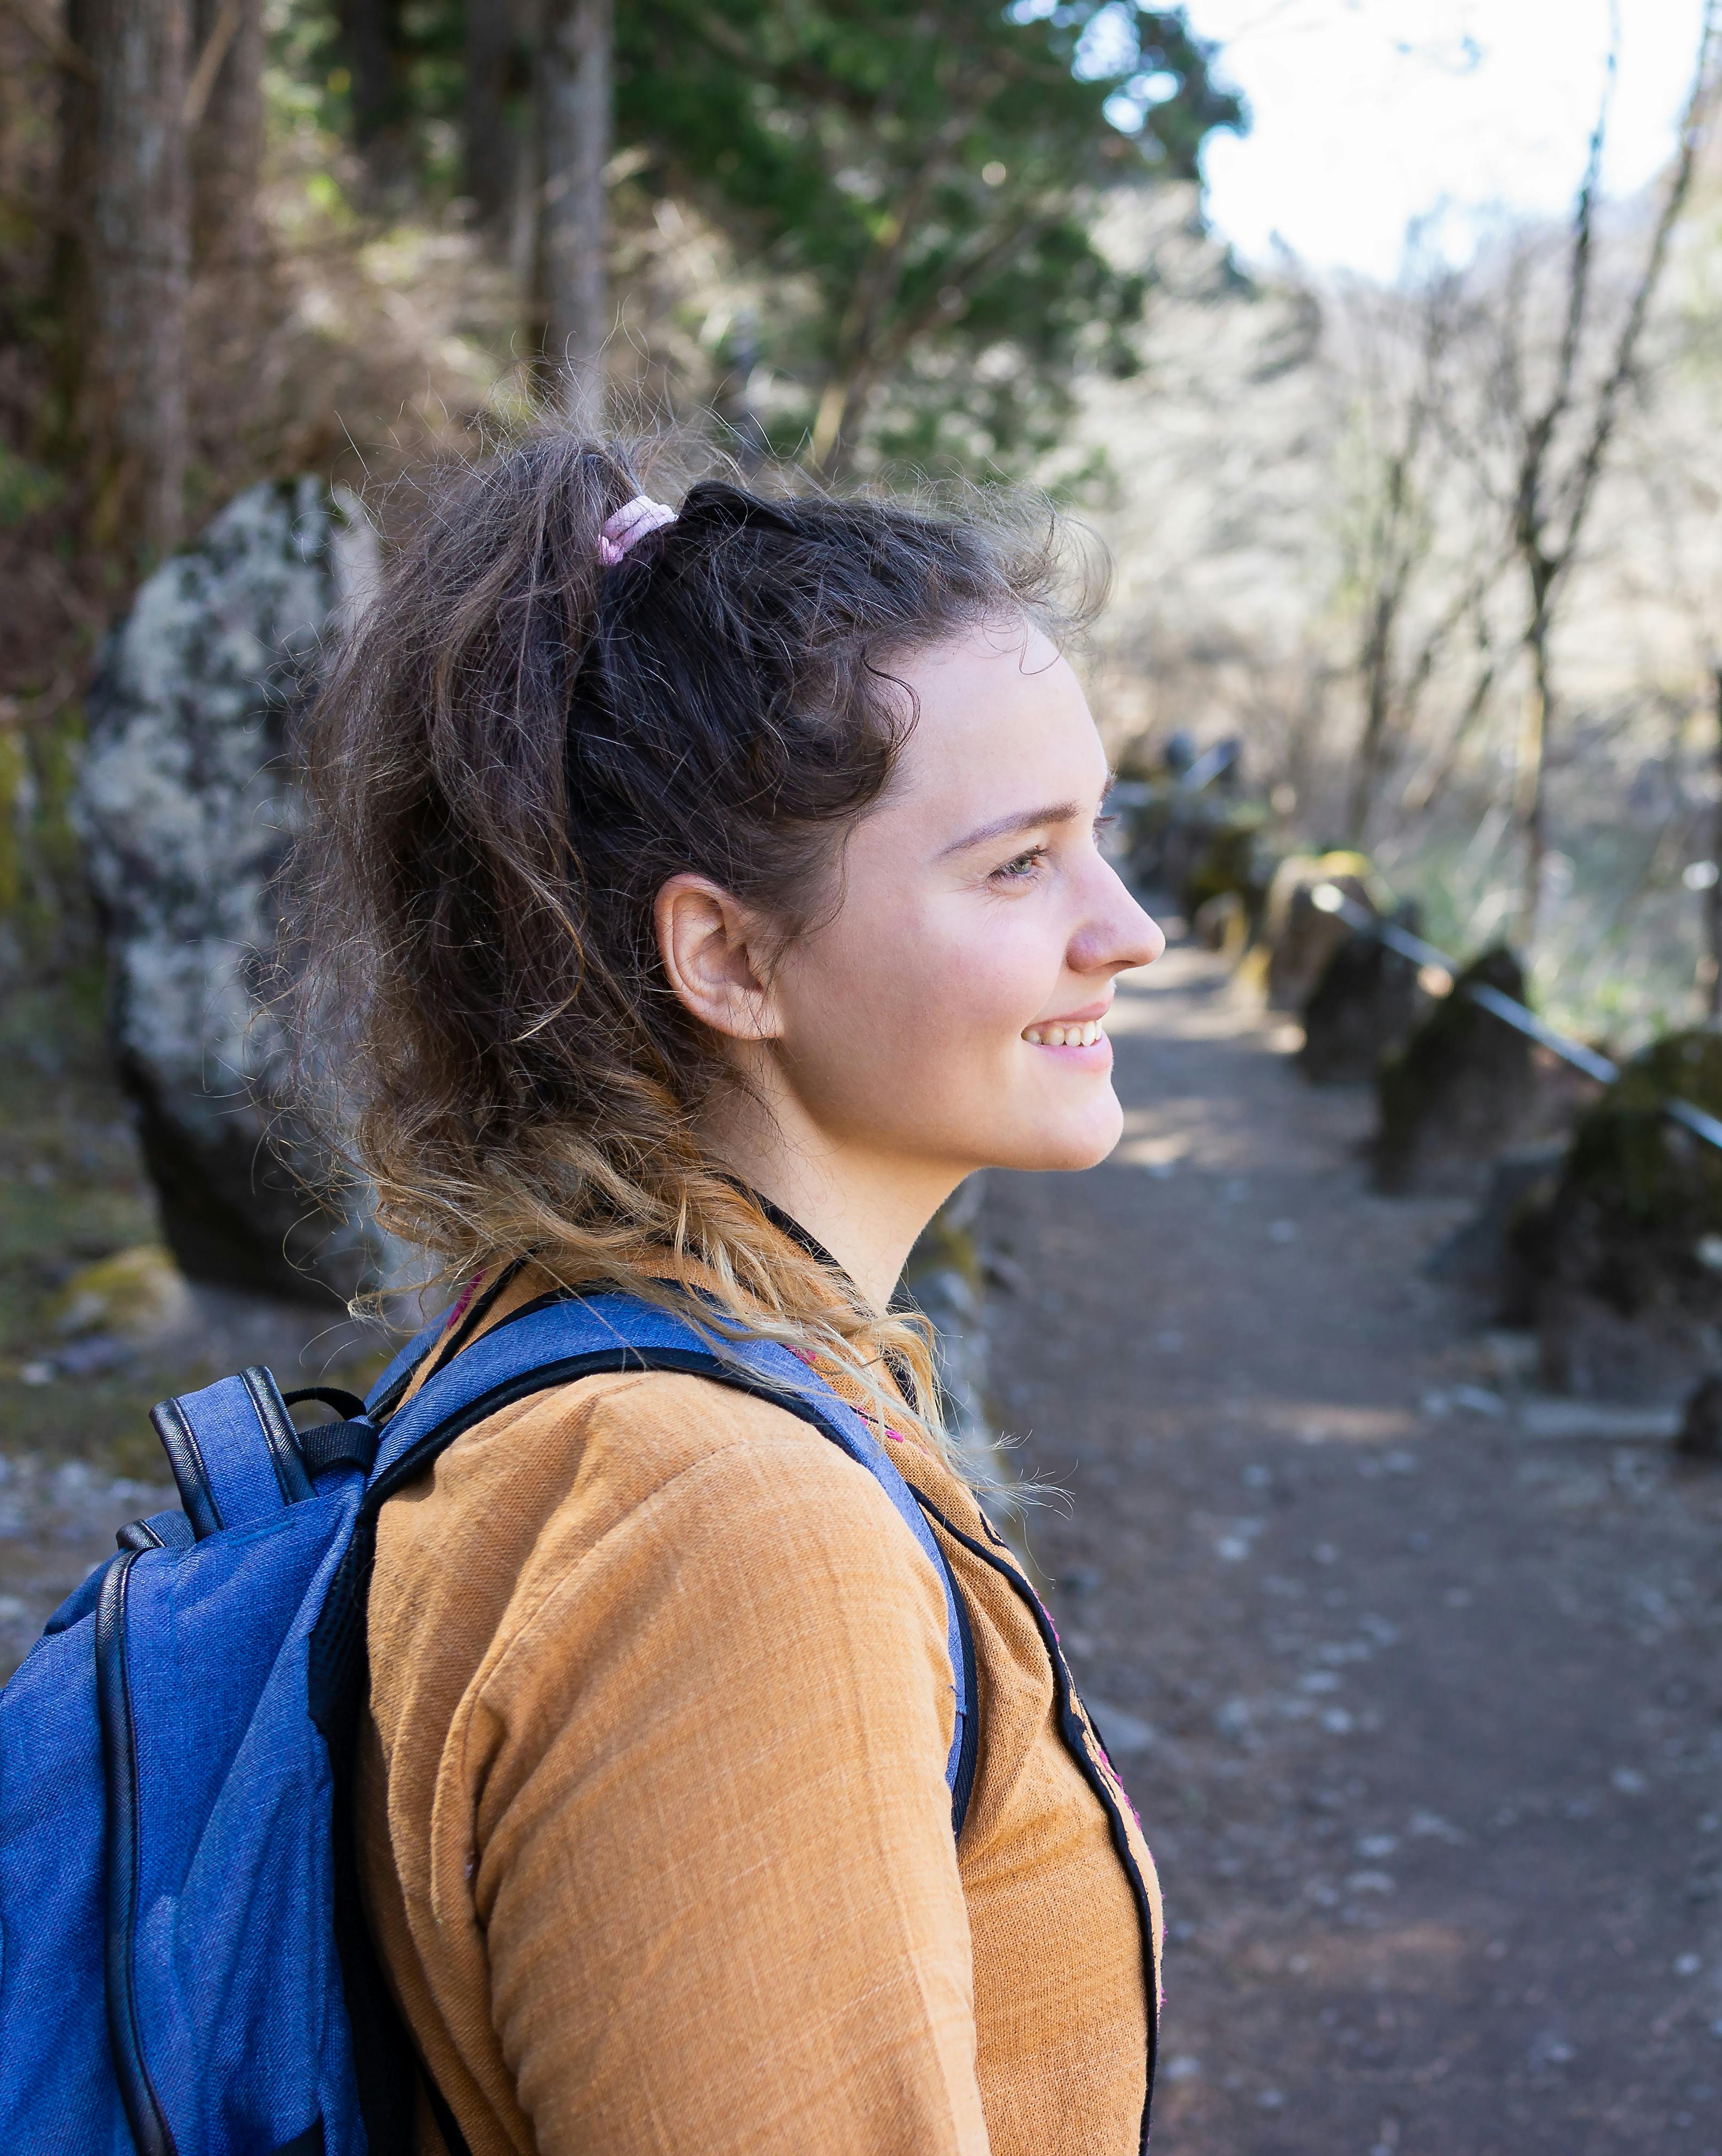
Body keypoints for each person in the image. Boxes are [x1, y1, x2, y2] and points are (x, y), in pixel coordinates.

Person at [288, 434, 1169, 2154]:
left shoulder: (593, 1346)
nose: (1126, 928)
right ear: (731, 959)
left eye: (1100, 836)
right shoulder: (729, 1530)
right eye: (1020, 864)